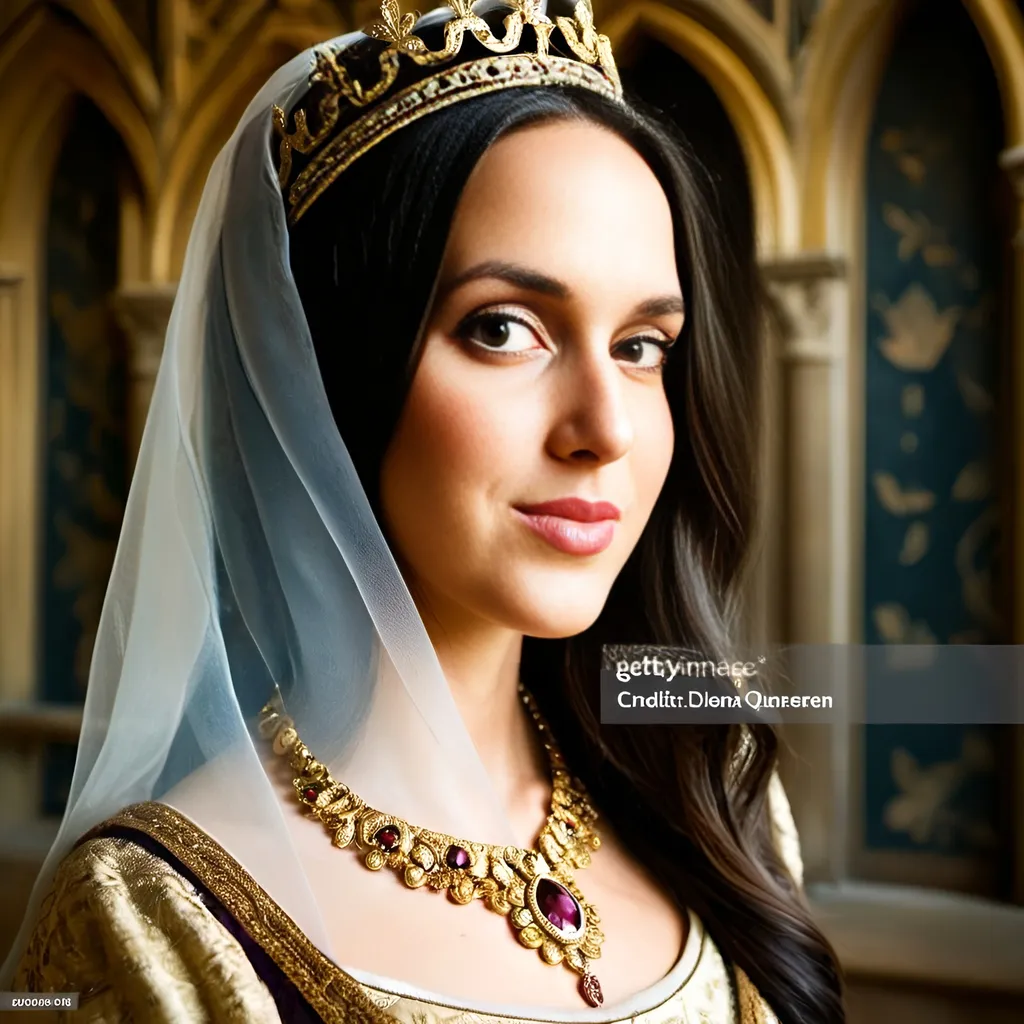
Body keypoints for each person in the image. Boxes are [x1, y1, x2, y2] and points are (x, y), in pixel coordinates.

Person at [2, 0, 844, 1020]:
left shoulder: (719, 803)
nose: (604, 428)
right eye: (503, 329)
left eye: (641, 345)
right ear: (326, 373)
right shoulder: (150, 920)